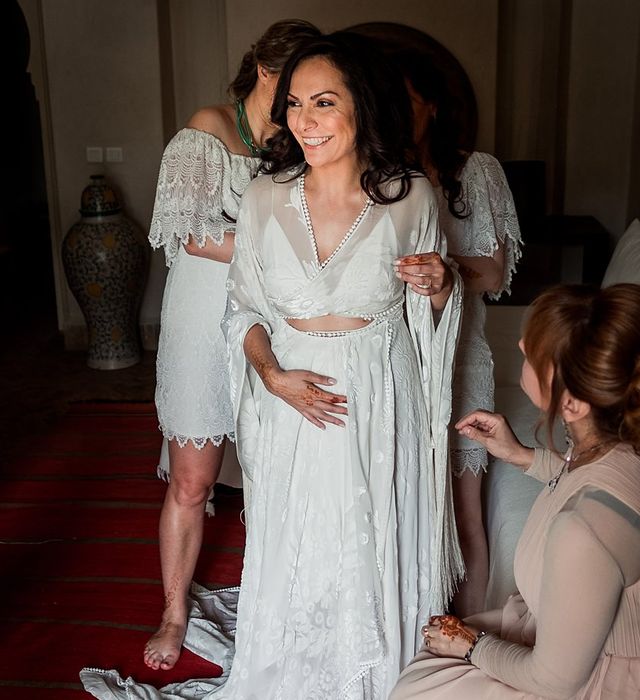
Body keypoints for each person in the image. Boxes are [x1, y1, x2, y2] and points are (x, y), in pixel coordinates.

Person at [216, 31, 464, 698]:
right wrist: (272, 377)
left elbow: (434, 311)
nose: (304, 122)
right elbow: (242, 310)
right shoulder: (265, 197)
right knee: (305, 541)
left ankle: (376, 669)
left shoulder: (410, 197)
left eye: (324, 103)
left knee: (370, 539)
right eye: (295, 104)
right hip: (293, 399)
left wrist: (440, 284)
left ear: (363, 105)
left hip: (380, 398)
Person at [391, 283, 640, 699]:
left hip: (622, 682)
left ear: (574, 404)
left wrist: (470, 645)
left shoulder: (582, 531)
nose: (522, 343)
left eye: (530, 355)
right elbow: (602, 481)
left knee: (422, 687)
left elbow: (553, 680)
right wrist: (523, 456)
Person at [144, 18, 320, 672]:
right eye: (297, 89)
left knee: (279, 472)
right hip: (201, 317)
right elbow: (190, 233)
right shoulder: (207, 129)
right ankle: (172, 610)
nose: (306, 105)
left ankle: (276, 595)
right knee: (193, 479)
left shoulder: (303, 143)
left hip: (273, 322)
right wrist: (283, 255)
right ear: (266, 74)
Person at [395, 49, 522, 617]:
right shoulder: (379, 178)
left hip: (463, 352)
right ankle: (412, 626)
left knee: (464, 507)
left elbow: (494, 272)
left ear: (433, 107)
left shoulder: (479, 171)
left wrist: (442, 268)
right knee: (406, 501)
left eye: (408, 103)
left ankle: (467, 637)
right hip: (400, 352)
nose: (397, 116)